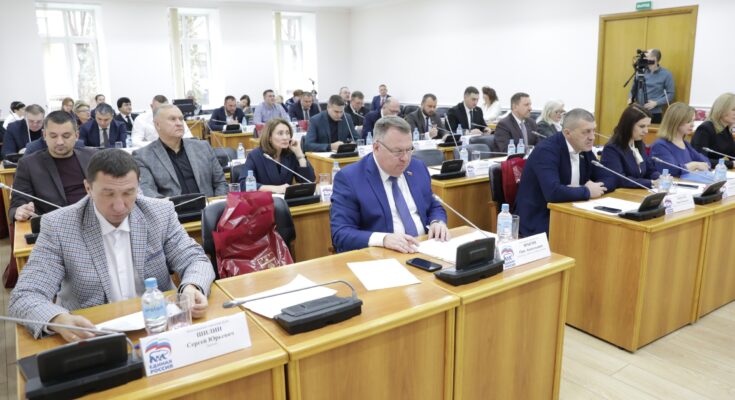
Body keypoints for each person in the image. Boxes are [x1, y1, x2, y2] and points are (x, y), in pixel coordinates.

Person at [8, 149, 215, 341]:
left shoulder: (159, 213)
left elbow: (194, 259)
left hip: (159, 325)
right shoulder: (59, 226)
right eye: (108, 194)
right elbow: (25, 295)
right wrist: (58, 319)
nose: (119, 206)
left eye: (128, 193)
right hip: (93, 333)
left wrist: (192, 286)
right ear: (88, 188)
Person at [331, 116, 449, 253]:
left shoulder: (417, 167)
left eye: (409, 149)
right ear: (376, 147)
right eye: (397, 151)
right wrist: (383, 239)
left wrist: (437, 221)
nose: (405, 158)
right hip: (382, 256)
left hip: (425, 248)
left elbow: (433, 204)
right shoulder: (350, 178)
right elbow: (341, 233)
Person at [515, 109, 615, 237]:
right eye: (586, 132)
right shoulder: (546, 151)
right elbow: (553, 193)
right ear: (567, 133)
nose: (592, 137)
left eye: (593, 130)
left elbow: (610, 177)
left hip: (572, 210)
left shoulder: (584, 149)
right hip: (541, 218)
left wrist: (595, 188)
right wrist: (587, 191)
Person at [10, 111, 96, 221]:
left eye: (66, 136)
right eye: (53, 136)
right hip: (54, 224)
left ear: (76, 135)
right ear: (44, 135)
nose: (60, 142)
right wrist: (20, 211)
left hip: (94, 218)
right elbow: (17, 204)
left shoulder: (93, 157)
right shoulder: (28, 164)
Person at [134, 104, 227, 198]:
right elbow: (148, 192)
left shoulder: (203, 147)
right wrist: (174, 206)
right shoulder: (143, 157)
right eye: (172, 119)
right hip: (172, 207)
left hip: (208, 205)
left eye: (181, 119)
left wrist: (215, 203)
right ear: (157, 125)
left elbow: (221, 182)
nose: (179, 123)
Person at [240, 118, 315, 194]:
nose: (285, 137)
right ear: (269, 137)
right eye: (280, 133)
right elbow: (244, 185)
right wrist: (275, 189)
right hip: (265, 199)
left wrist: (300, 155)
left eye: (287, 133)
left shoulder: (290, 154)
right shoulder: (255, 155)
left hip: (286, 199)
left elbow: (308, 181)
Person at [600, 104, 660, 189]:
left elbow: (650, 170)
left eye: (647, 126)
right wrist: (651, 183)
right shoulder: (612, 148)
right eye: (642, 126)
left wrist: (660, 178)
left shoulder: (639, 144)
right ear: (628, 125)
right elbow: (620, 179)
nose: (646, 131)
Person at [650, 102, 709, 176]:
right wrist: (694, 165)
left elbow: (706, 162)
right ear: (676, 121)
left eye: (693, 120)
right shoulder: (660, 145)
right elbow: (671, 170)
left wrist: (692, 166)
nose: (692, 125)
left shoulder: (685, 144)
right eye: (688, 121)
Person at [629, 49, 674, 124]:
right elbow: (633, 89)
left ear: (654, 59)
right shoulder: (640, 72)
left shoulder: (666, 74)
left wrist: (656, 103)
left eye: (646, 56)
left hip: (654, 113)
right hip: (637, 111)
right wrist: (631, 98)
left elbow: (670, 94)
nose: (644, 58)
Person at [691, 93, 735, 169]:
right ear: (722, 109)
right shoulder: (705, 129)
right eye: (734, 109)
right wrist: (730, 164)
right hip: (702, 172)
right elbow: (701, 161)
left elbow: (732, 155)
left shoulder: (726, 129)